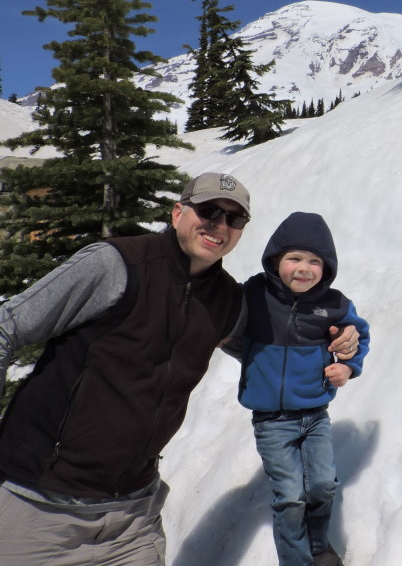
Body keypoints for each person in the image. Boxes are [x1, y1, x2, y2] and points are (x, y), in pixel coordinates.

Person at [0, 173, 361, 565]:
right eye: (208, 211)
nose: (219, 225)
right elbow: (9, 325)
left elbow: (271, 348)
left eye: (233, 219)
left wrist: (340, 346)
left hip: (132, 520)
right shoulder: (116, 265)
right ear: (177, 213)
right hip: (37, 505)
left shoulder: (227, 300)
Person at [236, 211, 369, 566]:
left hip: (315, 414)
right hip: (271, 420)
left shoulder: (335, 305)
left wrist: (349, 366)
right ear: (275, 259)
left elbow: (360, 336)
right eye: (294, 258)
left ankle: (318, 544)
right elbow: (220, 316)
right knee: (291, 496)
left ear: (327, 268)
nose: (304, 268)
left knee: (324, 485)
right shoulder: (254, 294)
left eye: (315, 261)